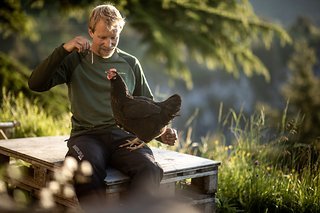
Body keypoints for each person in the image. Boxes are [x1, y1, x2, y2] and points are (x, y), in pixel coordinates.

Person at [28, 3, 178, 208]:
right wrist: (64, 49)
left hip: (125, 137)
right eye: (102, 37)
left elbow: (148, 110)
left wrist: (162, 133)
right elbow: (36, 84)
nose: (108, 44)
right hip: (86, 136)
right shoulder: (74, 59)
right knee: (86, 169)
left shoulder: (130, 63)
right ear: (90, 31)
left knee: (150, 169)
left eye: (113, 38)